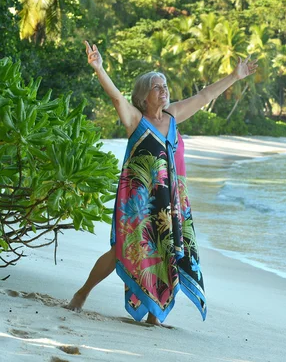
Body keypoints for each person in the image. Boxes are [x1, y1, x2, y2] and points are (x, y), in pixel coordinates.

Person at [67, 41, 257, 325]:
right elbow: (117, 98)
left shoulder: (173, 115)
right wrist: (99, 68)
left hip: (171, 200)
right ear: (144, 97)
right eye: (157, 87)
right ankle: (82, 293)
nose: (164, 89)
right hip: (140, 200)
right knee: (121, 250)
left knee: (169, 251)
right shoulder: (135, 120)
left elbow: (205, 95)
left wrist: (235, 76)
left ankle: (156, 315)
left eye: (164, 85)